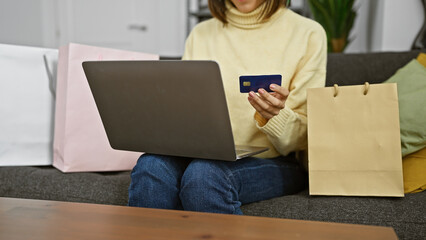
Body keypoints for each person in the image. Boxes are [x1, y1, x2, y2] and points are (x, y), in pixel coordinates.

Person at [128, 0, 327, 215]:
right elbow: (187, 112)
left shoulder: (309, 34)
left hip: (277, 160)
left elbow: (303, 137)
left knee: (205, 176)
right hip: (205, 155)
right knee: (150, 167)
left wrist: (274, 116)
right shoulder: (201, 34)